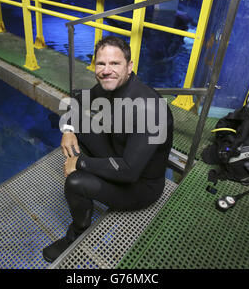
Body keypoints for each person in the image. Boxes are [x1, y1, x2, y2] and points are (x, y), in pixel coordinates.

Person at [42, 36, 174, 263]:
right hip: (118, 154)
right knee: (74, 122)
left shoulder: (149, 109)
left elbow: (129, 171)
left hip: (140, 185)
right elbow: (77, 99)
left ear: (130, 67)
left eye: (115, 64)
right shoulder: (106, 87)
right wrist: (69, 129)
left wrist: (81, 163)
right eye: (101, 64)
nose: (106, 70)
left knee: (75, 183)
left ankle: (77, 233)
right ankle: (86, 166)